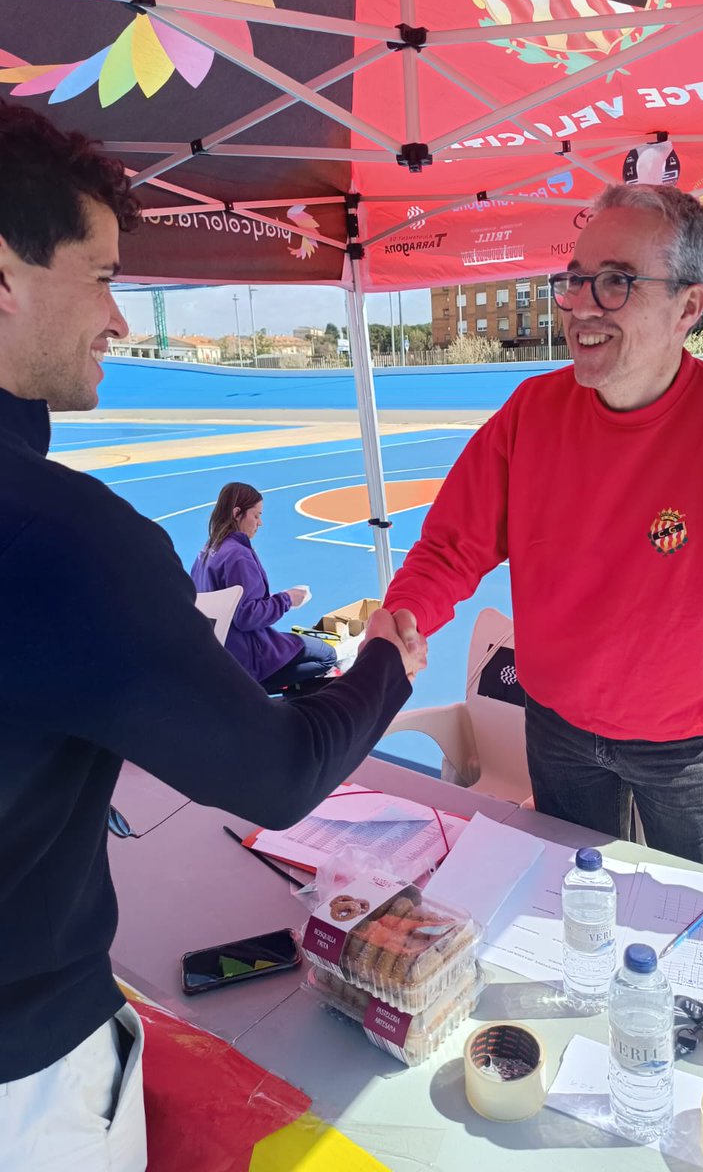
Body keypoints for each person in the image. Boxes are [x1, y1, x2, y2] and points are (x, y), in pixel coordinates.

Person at [0, 101, 424, 1171]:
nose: (120, 321)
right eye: (100, 275)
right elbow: (278, 775)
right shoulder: (64, 540)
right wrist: (387, 664)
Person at [384, 182, 703, 886]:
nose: (582, 305)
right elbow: (451, 547)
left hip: (686, 752)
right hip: (557, 733)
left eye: (617, 282)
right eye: (575, 280)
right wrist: (405, 618)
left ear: (689, 306)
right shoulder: (530, 416)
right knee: (574, 913)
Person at [191, 482, 337, 690]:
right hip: (246, 653)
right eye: (256, 515)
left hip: (218, 648)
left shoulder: (208, 548)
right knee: (327, 656)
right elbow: (247, 616)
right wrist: (288, 599)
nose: (260, 523)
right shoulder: (238, 556)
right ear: (237, 513)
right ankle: (258, 691)